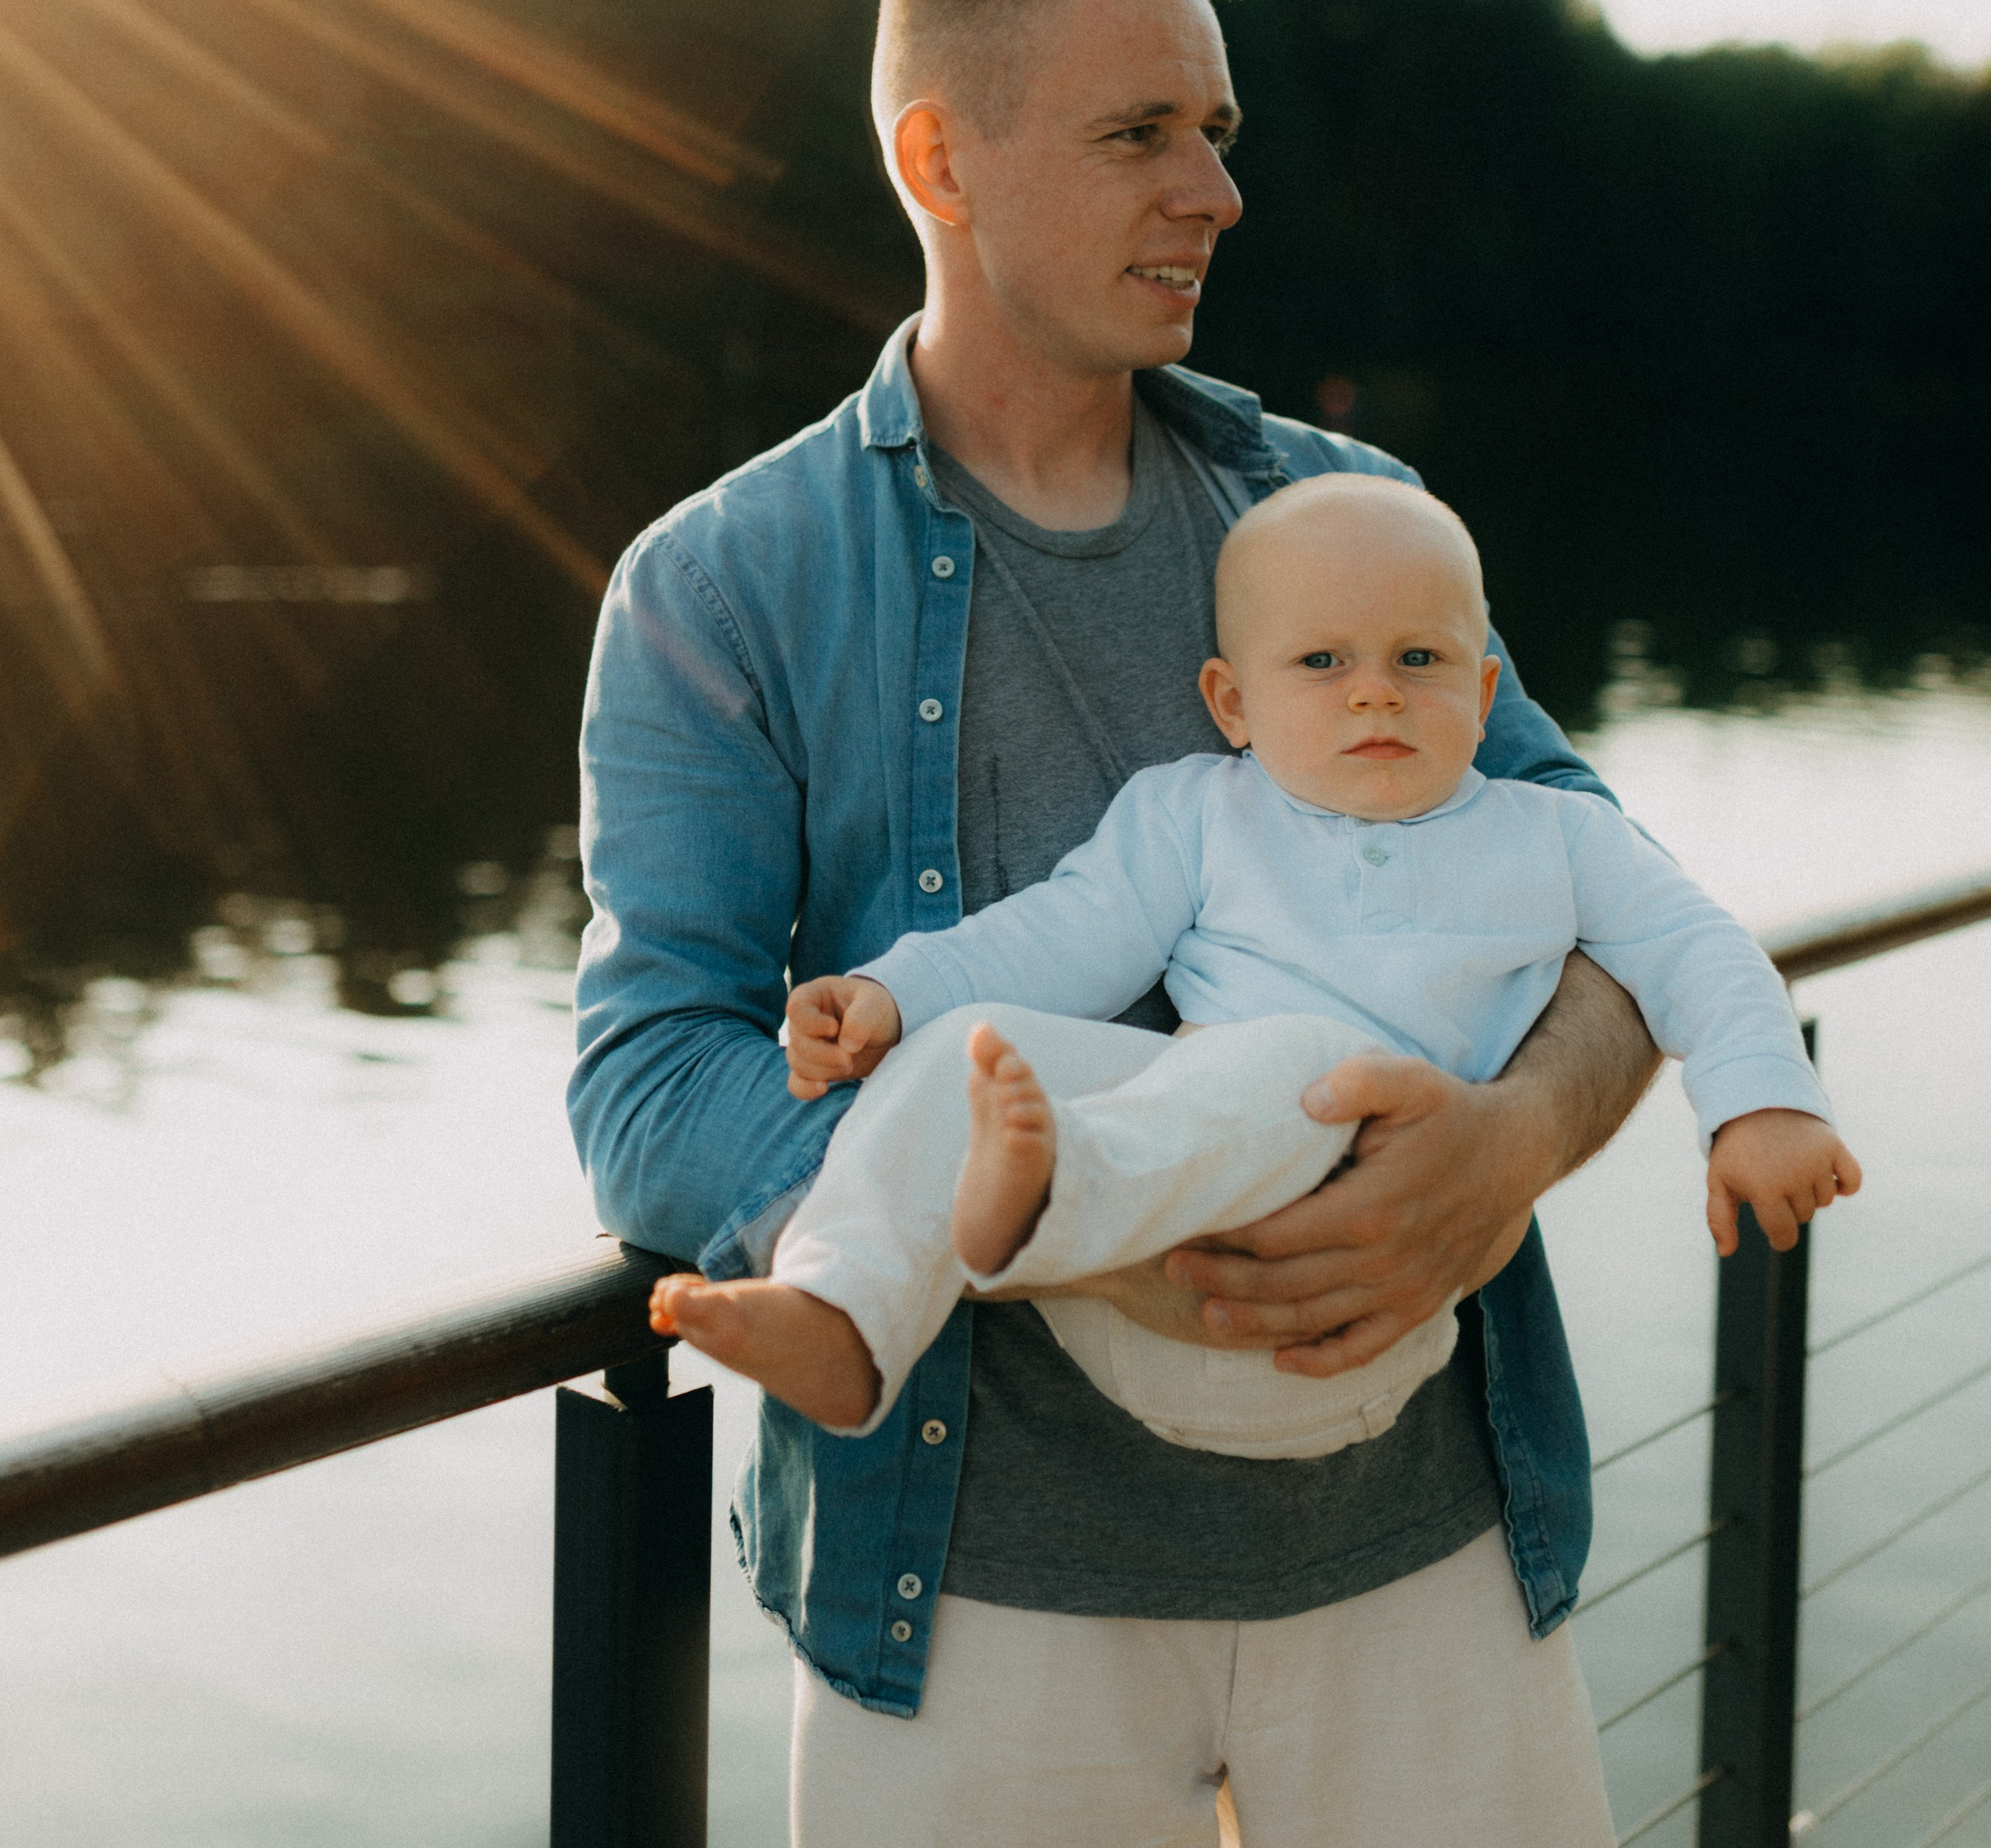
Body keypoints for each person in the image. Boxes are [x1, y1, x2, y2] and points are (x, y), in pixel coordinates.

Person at [573, 0, 1672, 1848]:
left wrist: (1517, 1143)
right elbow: (647, 1080)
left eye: (1220, 128)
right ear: (938, 160)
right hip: (976, 1609)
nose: (1220, 190)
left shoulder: (1352, 516)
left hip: (1422, 1572)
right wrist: (1048, 1228)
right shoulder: (725, 583)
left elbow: (1605, 881)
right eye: (1142, 132)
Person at [653, 474, 1856, 1454]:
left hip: (1348, 1317)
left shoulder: (1556, 837)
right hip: (1166, 1277)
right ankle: (844, 1314)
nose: (1376, 688)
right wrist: (890, 994)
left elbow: (1700, 946)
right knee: (967, 1057)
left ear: (1486, 691)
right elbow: (1057, 937)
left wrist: (1761, 1101)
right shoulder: (1195, 813)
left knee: (1305, 1060)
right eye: (1323, 663)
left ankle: (1050, 1181)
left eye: (1421, 661)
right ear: (1232, 701)